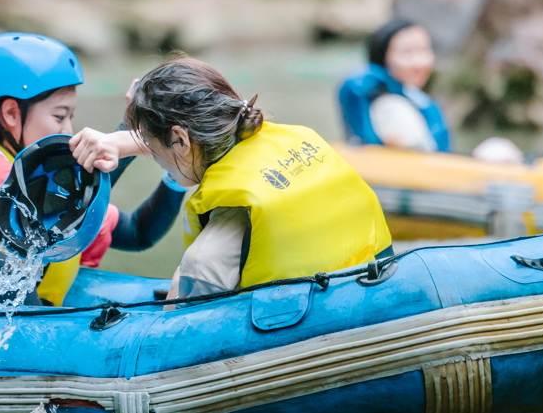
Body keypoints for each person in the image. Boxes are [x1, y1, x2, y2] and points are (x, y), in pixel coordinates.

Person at [0, 32, 184, 305]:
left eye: (70, 116)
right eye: (59, 117)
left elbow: (137, 232)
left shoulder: (37, 177)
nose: (69, 129)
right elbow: (70, 206)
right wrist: (137, 135)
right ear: (12, 114)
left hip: (22, 320)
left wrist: (178, 171)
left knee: (2, 261)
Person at [80, 56, 392, 300]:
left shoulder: (208, 257)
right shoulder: (298, 137)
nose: (152, 155)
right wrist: (128, 138)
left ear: (180, 140)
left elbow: (178, 340)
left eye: (150, 145)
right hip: (378, 291)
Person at [337, 18, 524, 164]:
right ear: (383, 57)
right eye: (407, 53)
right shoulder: (389, 105)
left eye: (424, 51)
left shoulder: (415, 98)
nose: (418, 62)